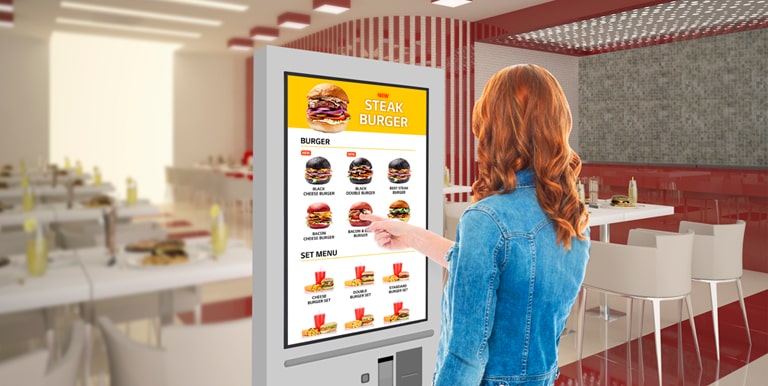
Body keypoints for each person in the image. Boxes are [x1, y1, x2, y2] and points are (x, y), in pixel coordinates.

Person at [362, 64, 590, 386]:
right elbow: (500, 273)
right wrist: (410, 234)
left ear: (494, 130)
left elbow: (465, 354)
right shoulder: (571, 214)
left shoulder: (487, 218)